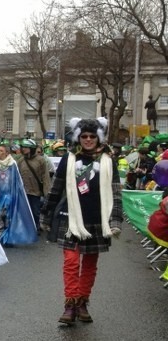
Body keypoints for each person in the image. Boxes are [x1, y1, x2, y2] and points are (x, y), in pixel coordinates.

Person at [39, 117, 122, 325]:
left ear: (98, 137)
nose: (87, 139)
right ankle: (70, 304)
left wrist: (116, 220)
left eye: (92, 136)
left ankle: (82, 302)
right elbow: (56, 189)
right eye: (84, 136)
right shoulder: (68, 159)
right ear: (78, 137)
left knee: (90, 265)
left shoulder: (108, 161)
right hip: (71, 219)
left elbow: (116, 193)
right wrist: (46, 213)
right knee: (71, 262)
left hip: (96, 219)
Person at [17, 138, 51, 226]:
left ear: (31, 148)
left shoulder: (41, 160)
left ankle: (36, 227)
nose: (23, 149)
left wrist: (47, 192)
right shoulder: (21, 161)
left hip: (36, 192)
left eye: (26, 147)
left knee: (35, 211)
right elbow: (18, 176)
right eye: (23, 147)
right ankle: (26, 227)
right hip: (24, 191)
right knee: (24, 211)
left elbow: (45, 177)